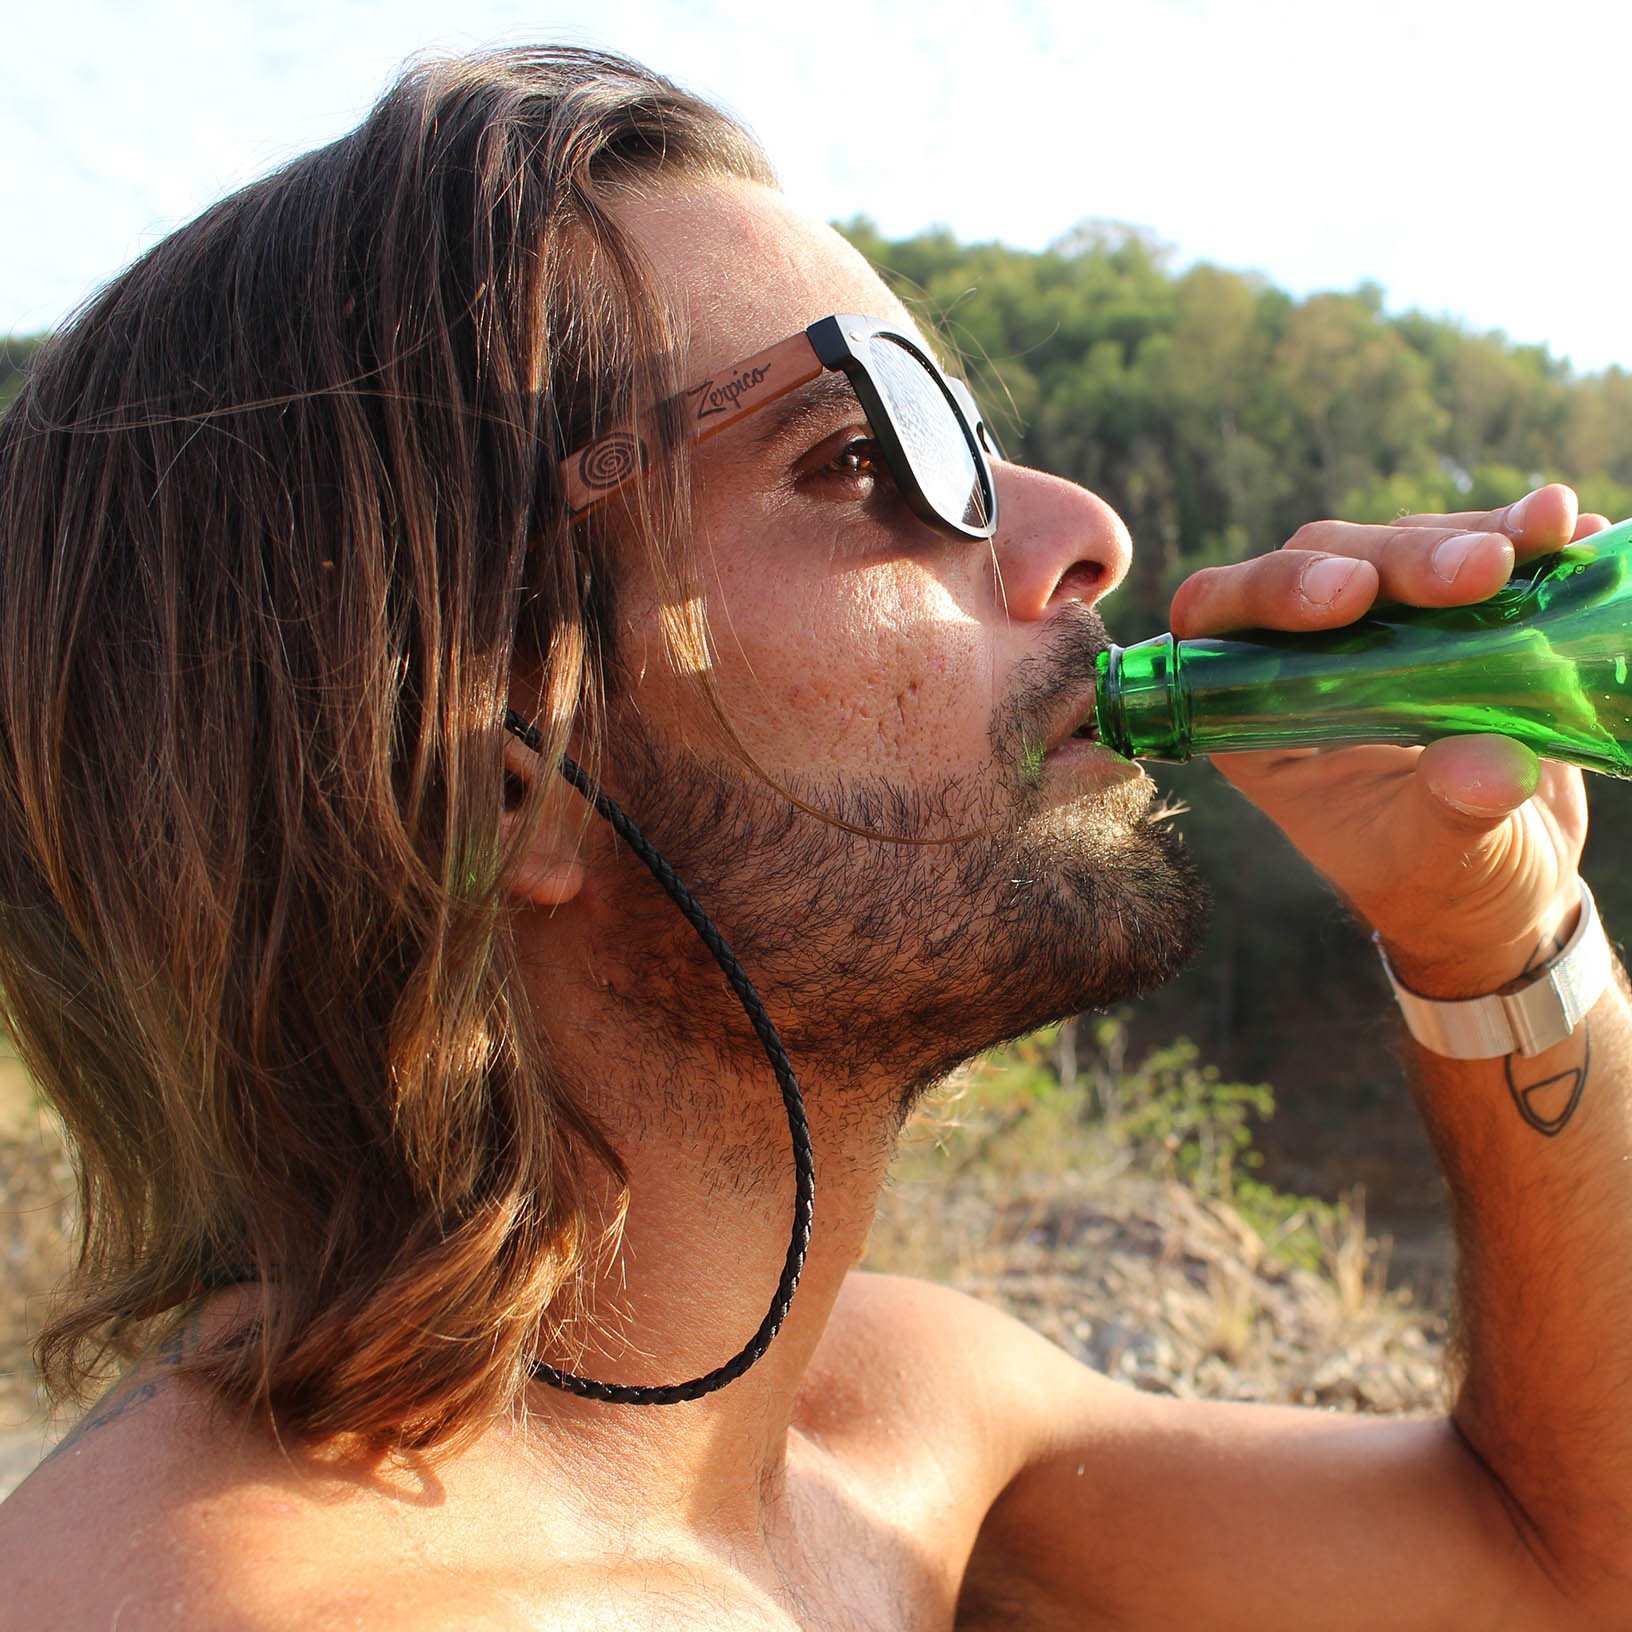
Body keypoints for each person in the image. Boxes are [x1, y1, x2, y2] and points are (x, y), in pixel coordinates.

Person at [1, 45, 1628, 1630]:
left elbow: (1570, 1568)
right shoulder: (227, 1602)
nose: (1083, 535)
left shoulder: (891, 1434)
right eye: (866, 454)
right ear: (498, 787)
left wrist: (1498, 930)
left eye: (973, 437)